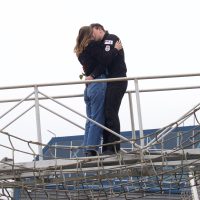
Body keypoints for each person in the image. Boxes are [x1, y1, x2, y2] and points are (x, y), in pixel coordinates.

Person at [74, 26, 122, 156]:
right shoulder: (92, 46)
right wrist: (115, 50)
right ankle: (92, 149)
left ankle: (87, 149)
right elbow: (104, 61)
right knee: (97, 118)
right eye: (92, 34)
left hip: (88, 87)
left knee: (90, 119)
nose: (94, 36)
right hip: (97, 83)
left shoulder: (80, 51)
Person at [90, 23, 128, 155]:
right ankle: (106, 147)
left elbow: (106, 60)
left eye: (93, 33)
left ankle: (113, 147)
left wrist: (114, 50)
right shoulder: (98, 45)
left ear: (99, 29)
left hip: (117, 80)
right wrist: (92, 75)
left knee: (110, 111)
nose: (92, 36)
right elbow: (101, 62)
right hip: (108, 81)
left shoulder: (111, 38)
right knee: (106, 114)